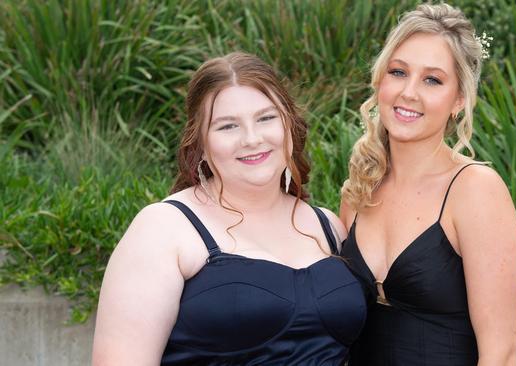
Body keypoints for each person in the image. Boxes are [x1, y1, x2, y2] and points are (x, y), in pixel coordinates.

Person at [92, 52, 366, 365]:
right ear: (201, 145)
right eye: (227, 127)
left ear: (289, 124)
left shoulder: (328, 226)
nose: (251, 139)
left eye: (266, 118)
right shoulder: (164, 229)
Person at [339, 3, 516, 365]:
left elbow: (500, 355)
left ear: (459, 99)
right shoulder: (360, 189)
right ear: (380, 81)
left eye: (432, 79)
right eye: (398, 72)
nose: (409, 92)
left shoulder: (475, 190)